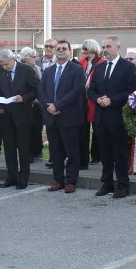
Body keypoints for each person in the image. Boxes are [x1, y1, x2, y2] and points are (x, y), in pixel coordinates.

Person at [88, 36, 136, 198]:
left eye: (109, 46)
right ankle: (107, 183)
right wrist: (97, 99)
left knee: (119, 152)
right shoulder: (99, 67)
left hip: (119, 116)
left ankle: (123, 185)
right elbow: (91, 90)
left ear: (118, 47)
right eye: (104, 47)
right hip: (101, 117)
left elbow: (132, 91)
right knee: (105, 152)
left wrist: (112, 100)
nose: (105, 50)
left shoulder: (128, 67)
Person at [38, 40, 86, 193]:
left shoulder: (77, 69)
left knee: (71, 151)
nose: (60, 51)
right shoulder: (49, 71)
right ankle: (58, 180)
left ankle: (71, 181)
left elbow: (77, 91)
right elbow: (41, 91)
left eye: (64, 49)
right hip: (52, 117)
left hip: (69, 116)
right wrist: (49, 106)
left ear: (70, 52)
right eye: (58, 49)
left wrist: (57, 105)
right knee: (55, 151)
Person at [0, 49, 39, 190]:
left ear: (14, 59)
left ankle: (23, 178)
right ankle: (11, 177)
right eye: (2, 64)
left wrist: (24, 98)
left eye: (6, 64)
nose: (4, 67)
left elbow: (36, 90)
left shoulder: (26, 70)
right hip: (6, 116)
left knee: (23, 149)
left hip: (22, 115)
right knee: (9, 149)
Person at [78, 39, 105, 169]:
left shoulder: (102, 62)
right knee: (82, 131)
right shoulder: (81, 62)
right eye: (83, 50)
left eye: (86, 50)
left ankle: (96, 156)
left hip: (96, 100)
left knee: (97, 130)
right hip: (83, 101)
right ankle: (83, 160)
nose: (83, 52)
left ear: (93, 50)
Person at [19, 47, 43, 163]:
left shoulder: (37, 68)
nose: (36, 59)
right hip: (25, 103)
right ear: (26, 58)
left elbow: (40, 84)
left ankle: (37, 151)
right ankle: (28, 154)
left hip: (37, 104)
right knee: (27, 130)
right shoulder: (21, 68)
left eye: (36, 56)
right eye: (33, 57)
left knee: (37, 128)